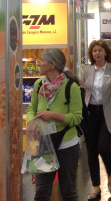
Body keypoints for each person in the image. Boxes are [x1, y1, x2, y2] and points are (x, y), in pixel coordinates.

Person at [26, 48, 83, 201]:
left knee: (68, 191)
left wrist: (53, 115)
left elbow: (76, 118)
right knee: (42, 192)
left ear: (52, 65)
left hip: (67, 144)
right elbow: (32, 108)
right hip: (44, 143)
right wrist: (32, 122)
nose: (39, 62)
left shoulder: (72, 87)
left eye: (42, 60)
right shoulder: (39, 84)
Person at [79, 40, 111, 200]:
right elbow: (82, 92)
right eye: (94, 51)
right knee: (91, 151)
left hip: (108, 114)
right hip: (91, 114)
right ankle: (95, 187)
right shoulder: (86, 71)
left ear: (106, 52)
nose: (97, 53)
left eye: (99, 50)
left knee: (103, 147)